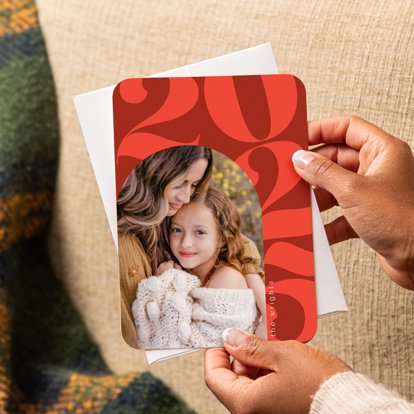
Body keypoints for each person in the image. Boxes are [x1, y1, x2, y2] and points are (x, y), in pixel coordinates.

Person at [204, 116, 414, 413]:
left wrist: (326, 398)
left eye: (201, 232)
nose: (188, 242)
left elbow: (268, 312)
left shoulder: (243, 268)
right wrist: (409, 248)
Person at [117, 145, 264, 348]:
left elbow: (235, 240)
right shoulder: (141, 227)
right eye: (179, 184)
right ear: (154, 173)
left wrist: (268, 309)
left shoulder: (174, 211)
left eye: (194, 184)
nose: (186, 197)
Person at [132, 186, 261, 348]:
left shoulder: (227, 278)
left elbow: (194, 348)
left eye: (199, 232)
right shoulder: (192, 272)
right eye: (177, 230)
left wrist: (166, 285)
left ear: (221, 238)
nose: (185, 243)